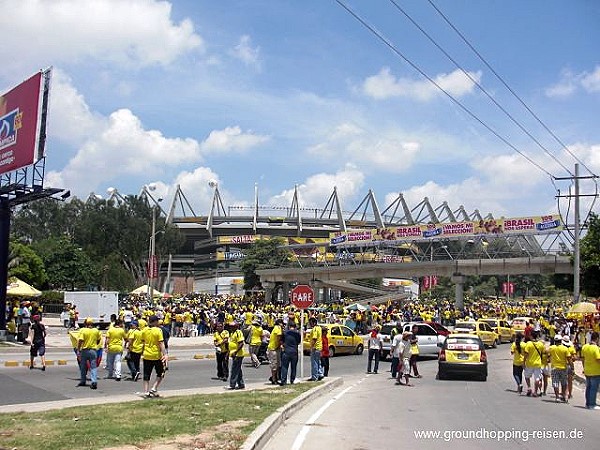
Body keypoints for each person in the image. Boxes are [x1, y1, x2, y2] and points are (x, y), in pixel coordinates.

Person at [141, 315, 168, 397]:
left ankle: (146, 391)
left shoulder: (144, 330)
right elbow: (161, 343)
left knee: (146, 374)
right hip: (156, 355)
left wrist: (142, 352)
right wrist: (165, 354)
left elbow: (143, 341)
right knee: (161, 372)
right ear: (156, 322)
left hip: (146, 354)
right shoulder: (158, 330)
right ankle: (154, 388)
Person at [77, 318, 101, 390]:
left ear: (86, 324)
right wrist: (95, 344)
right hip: (93, 350)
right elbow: (98, 339)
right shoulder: (96, 331)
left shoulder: (83, 331)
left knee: (83, 367)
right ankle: (94, 381)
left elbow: (80, 340)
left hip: (85, 350)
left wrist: (78, 349)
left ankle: (83, 380)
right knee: (93, 367)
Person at [580, 331, 600, 410]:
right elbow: (598, 359)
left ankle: (587, 403)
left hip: (587, 370)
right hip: (595, 371)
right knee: (593, 388)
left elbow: (582, 359)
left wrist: (584, 367)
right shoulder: (596, 348)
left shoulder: (585, 347)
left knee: (588, 387)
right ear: (597, 339)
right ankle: (592, 404)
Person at [548, 334, 571, 403]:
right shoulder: (565, 349)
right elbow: (569, 359)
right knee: (564, 382)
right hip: (563, 367)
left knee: (555, 383)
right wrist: (572, 367)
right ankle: (564, 396)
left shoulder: (552, 348)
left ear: (555, 341)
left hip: (554, 368)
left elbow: (547, 353)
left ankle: (557, 397)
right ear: (561, 341)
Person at [523, 330, 545, 397]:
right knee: (537, 378)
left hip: (529, 363)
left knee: (527, 376)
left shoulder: (529, 344)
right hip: (538, 363)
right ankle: (535, 392)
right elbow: (542, 353)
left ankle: (529, 388)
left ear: (531, 336)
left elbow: (526, 354)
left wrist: (523, 362)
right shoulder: (541, 344)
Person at [280, 321, 301, 385]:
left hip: (286, 351)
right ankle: (292, 380)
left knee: (284, 367)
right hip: (294, 352)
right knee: (293, 367)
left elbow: (281, 341)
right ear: (295, 327)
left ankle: (283, 381)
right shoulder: (297, 334)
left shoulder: (285, 333)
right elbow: (298, 342)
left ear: (289, 326)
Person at [228, 321, 245, 390]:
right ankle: (241, 384)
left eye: (232, 326)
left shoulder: (238, 332)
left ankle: (232, 384)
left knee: (234, 370)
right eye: (230, 326)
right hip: (234, 354)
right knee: (238, 369)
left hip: (238, 354)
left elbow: (241, 343)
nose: (231, 328)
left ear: (236, 326)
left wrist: (235, 352)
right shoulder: (232, 333)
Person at [267, 318, 284, 384]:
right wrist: (281, 345)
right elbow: (279, 337)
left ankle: (275, 378)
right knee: (274, 365)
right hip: (273, 348)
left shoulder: (276, 328)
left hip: (275, 348)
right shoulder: (278, 328)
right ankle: (274, 379)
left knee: (277, 365)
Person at [308, 317, 322, 381]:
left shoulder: (315, 329)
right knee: (318, 361)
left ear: (314, 323)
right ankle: (320, 374)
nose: (310, 324)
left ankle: (314, 376)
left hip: (315, 347)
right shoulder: (319, 328)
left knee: (314, 363)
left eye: (311, 323)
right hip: (319, 347)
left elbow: (314, 338)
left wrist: (311, 347)